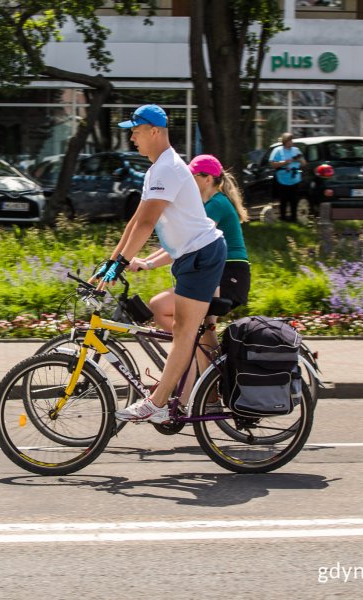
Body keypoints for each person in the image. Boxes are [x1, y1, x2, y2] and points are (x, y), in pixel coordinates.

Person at [97, 105, 226, 424]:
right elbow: (137, 219)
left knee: (184, 330)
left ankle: (157, 402)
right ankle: (208, 389)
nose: (132, 137)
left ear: (154, 131)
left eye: (136, 131)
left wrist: (122, 262)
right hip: (191, 257)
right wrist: (112, 261)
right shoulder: (157, 170)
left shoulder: (167, 168)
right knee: (198, 333)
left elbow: (147, 223)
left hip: (202, 254)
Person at [146, 154, 251, 332]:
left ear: (208, 179)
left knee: (159, 307)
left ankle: (186, 353)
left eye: (192, 176)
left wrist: (147, 264)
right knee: (205, 329)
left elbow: (189, 242)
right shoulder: (210, 204)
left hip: (227, 273)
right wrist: (144, 261)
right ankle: (199, 356)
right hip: (223, 273)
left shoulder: (216, 204)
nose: (187, 181)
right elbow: (177, 245)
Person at [269, 132, 306, 222]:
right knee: (283, 199)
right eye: (289, 140)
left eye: (292, 140)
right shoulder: (277, 150)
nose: (291, 142)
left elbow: (304, 163)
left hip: (294, 178)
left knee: (294, 200)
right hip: (282, 178)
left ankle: (294, 218)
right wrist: (286, 162)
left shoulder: (296, 150)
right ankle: (283, 218)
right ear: (285, 141)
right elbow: (273, 164)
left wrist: (300, 159)